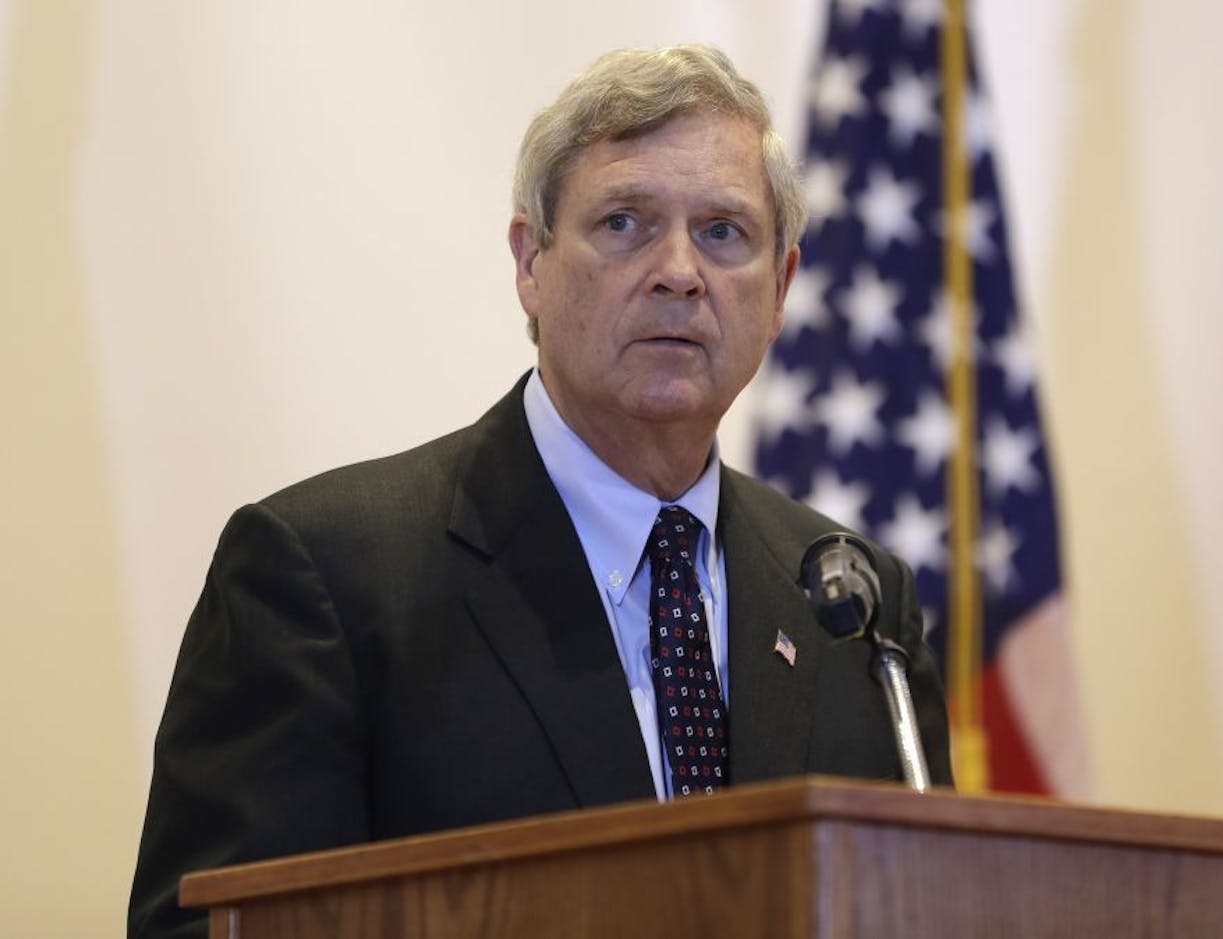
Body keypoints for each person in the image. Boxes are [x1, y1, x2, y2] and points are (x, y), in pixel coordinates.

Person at [128, 44, 952, 939]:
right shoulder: (323, 576)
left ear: (781, 287)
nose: (680, 270)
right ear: (531, 261)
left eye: (724, 231)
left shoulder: (855, 602)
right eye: (625, 222)